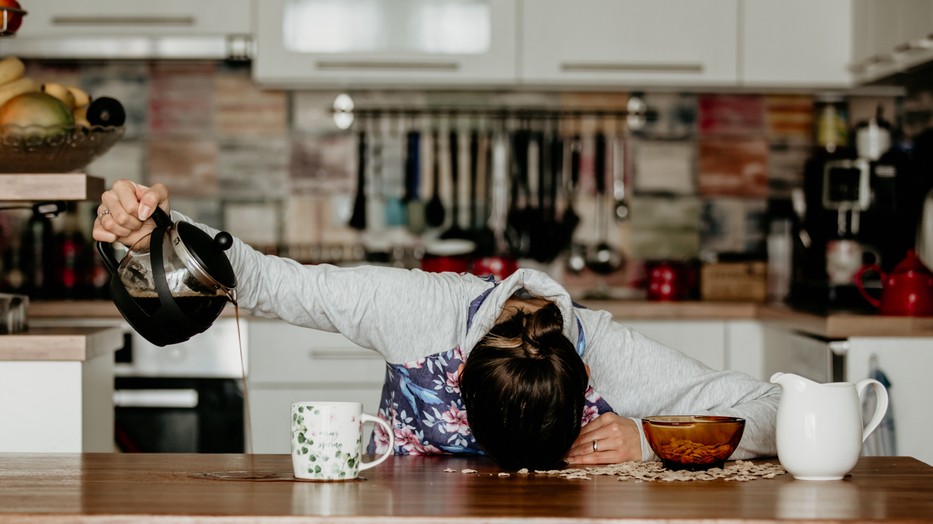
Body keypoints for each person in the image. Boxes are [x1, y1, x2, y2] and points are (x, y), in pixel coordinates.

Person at [94, 180, 781, 471]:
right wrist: (150, 232)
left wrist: (649, 439)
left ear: (588, 380)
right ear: (455, 368)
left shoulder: (614, 353)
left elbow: (776, 409)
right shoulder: (417, 311)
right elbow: (267, 280)